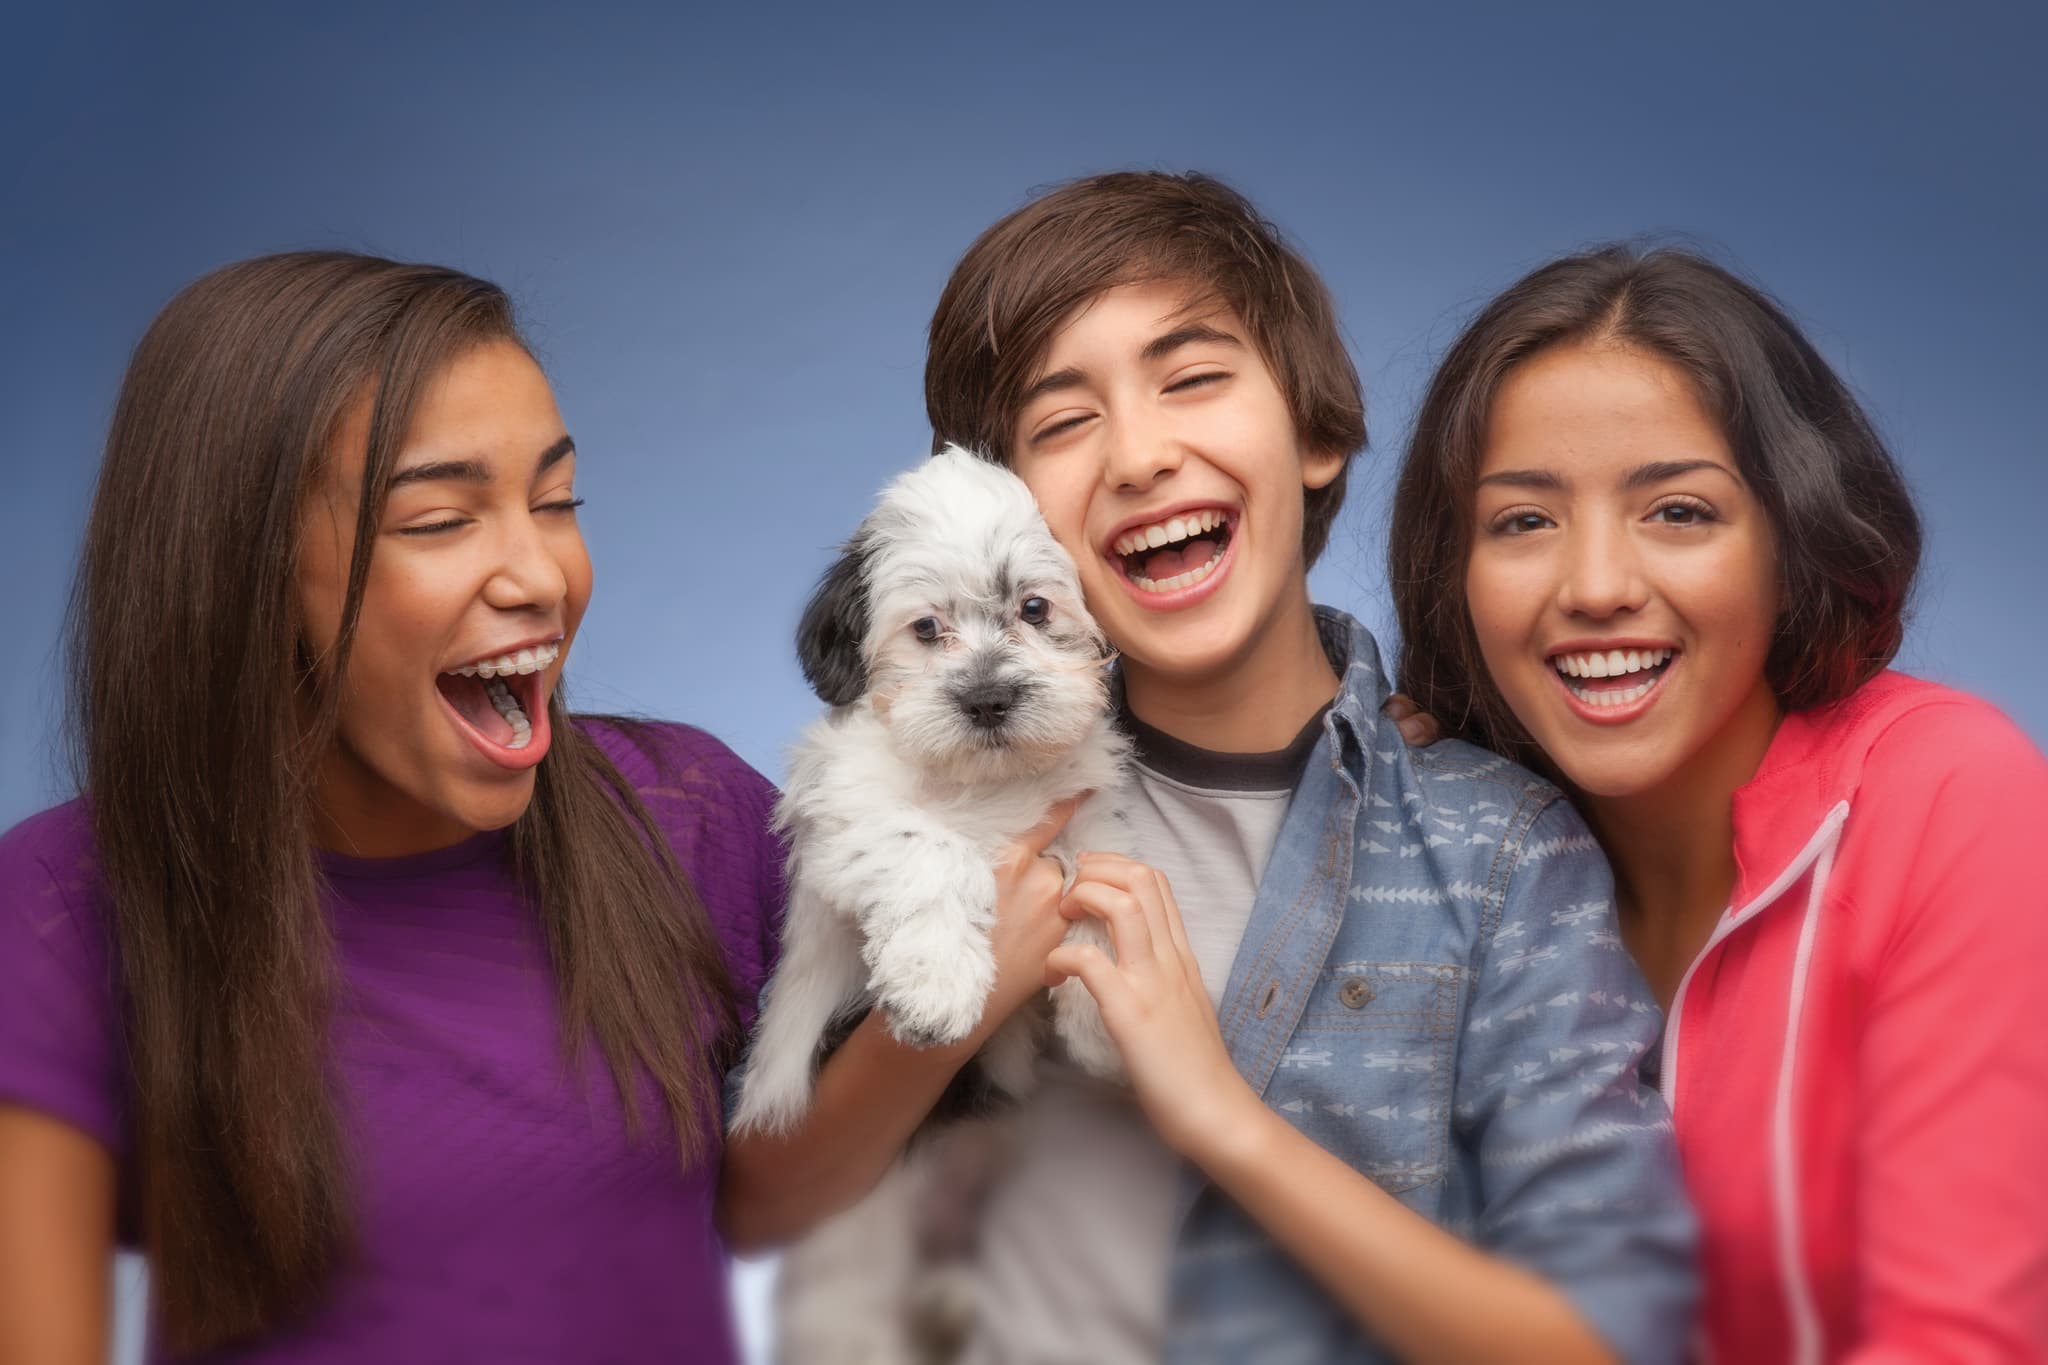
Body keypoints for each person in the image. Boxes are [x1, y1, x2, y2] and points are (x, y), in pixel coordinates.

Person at [720, 172, 1696, 1364]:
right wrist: (946, 1016)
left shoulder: (1492, 849)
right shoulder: (926, 799)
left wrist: (1221, 1118)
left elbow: (1611, 1336)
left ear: (1317, 434)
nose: (1137, 455)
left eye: (1191, 379)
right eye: (1062, 420)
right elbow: (759, 1200)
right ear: (995, 507)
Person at [0, 252, 785, 1363]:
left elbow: (994, 1076)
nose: (541, 576)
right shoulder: (60, 905)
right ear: (250, 573)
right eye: (439, 521)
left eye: (556, 502)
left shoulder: (688, 817)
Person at [1387, 244, 2048, 1361]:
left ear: (1789, 544)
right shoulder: (1456, 854)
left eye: (1677, 512)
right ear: (1455, 578)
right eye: (1523, 522)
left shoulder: (1948, 794)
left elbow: (1956, 1341)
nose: (1594, 586)